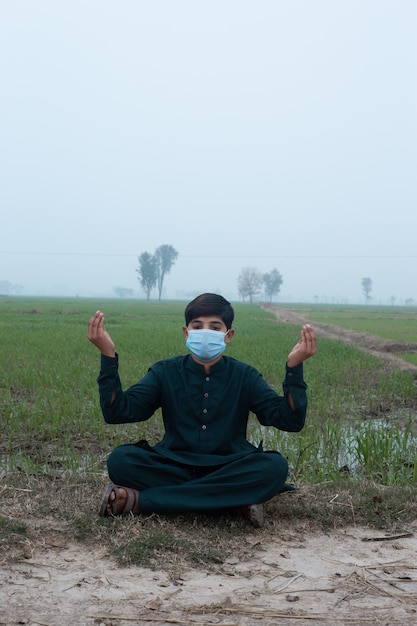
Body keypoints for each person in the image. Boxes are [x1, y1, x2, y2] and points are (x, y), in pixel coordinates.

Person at [87, 293, 316, 528]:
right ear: (186, 332)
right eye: (198, 326)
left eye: (215, 327)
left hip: (229, 464)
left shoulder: (244, 376)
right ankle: (234, 501)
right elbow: (118, 412)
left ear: (228, 335)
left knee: (274, 467)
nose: (206, 332)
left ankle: (140, 501)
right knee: (120, 460)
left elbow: (289, 420)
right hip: (174, 464)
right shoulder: (165, 372)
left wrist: (294, 367)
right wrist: (107, 355)